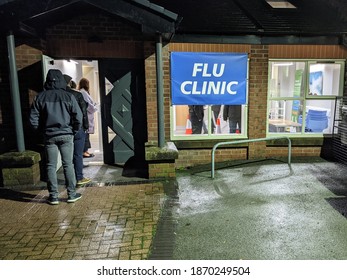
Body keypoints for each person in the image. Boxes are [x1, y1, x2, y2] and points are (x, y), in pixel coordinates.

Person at [30, 69, 83, 205]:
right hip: (66, 134)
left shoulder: (40, 97)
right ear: (61, 80)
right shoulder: (68, 96)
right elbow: (78, 117)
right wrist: (74, 130)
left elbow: (33, 118)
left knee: (51, 166)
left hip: (49, 136)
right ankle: (71, 194)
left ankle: (53, 196)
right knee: (68, 165)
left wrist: (41, 131)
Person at [64, 74, 91, 186]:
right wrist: (85, 126)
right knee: (78, 154)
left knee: (66, 158)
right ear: (70, 82)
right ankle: (79, 177)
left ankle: (69, 181)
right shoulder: (77, 95)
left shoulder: (57, 95)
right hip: (78, 128)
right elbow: (83, 112)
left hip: (65, 128)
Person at [78, 78, 98, 158]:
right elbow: (88, 105)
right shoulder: (83, 93)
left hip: (88, 116)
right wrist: (95, 107)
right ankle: (84, 152)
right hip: (86, 116)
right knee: (85, 135)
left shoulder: (84, 92)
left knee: (87, 135)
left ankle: (86, 151)